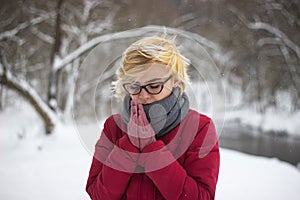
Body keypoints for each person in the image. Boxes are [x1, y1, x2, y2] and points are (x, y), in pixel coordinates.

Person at [86, 35, 220, 200]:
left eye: (154, 86)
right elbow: (97, 195)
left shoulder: (200, 128)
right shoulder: (113, 127)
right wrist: (129, 145)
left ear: (176, 80)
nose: (144, 95)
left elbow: (202, 197)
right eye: (135, 86)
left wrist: (152, 150)